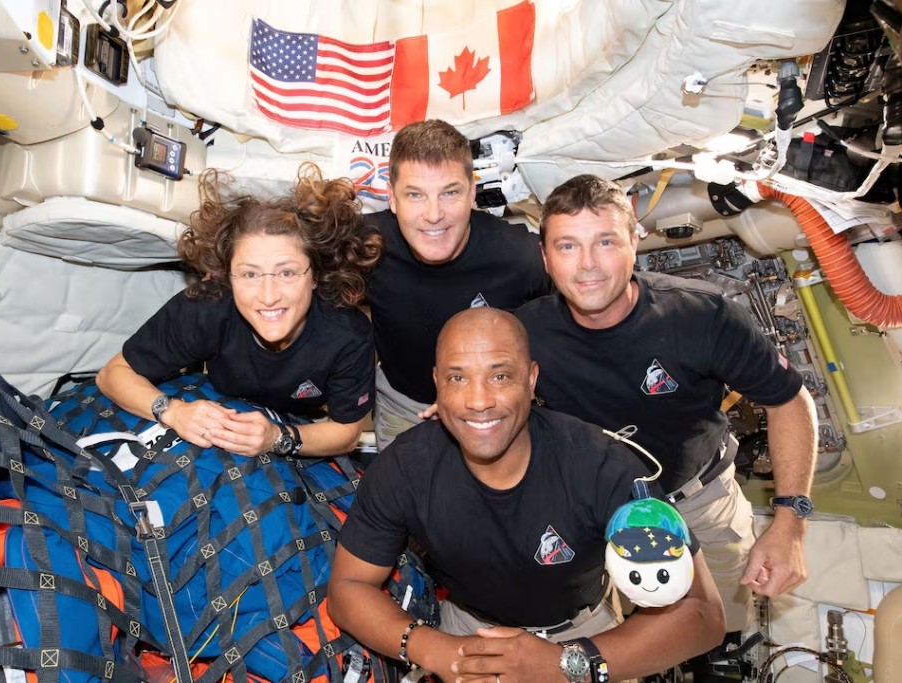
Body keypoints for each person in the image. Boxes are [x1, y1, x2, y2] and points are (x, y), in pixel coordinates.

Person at [328, 308, 725, 682]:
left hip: (585, 635)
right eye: (457, 378)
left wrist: (565, 664)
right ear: (437, 383)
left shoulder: (602, 467)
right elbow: (348, 589)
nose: (478, 400)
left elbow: (702, 614)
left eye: (500, 376)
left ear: (531, 379)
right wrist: (433, 649)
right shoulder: (405, 467)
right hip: (466, 633)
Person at [515, 174, 818, 637]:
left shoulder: (701, 316)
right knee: (612, 628)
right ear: (545, 257)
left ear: (636, 240)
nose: (588, 265)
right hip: (590, 508)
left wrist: (790, 524)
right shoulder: (523, 333)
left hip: (699, 502)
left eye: (606, 242)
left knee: (723, 622)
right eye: (567, 246)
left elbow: (789, 400)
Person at [96, 163, 382, 457]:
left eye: (286, 273)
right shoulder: (206, 306)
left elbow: (347, 432)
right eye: (249, 275)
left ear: (316, 276)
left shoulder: (348, 334)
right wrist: (173, 412)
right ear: (227, 277)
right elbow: (112, 374)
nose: (268, 296)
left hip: (298, 426)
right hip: (215, 409)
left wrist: (278, 438)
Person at [365, 119, 552, 450]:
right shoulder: (364, 247)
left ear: (472, 193)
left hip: (493, 406)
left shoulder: (520, 256)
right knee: (400, 499)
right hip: (405, 405)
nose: (434, 214)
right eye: (415, 195)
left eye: (450, 192)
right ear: (392, 198)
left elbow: (566, 325)